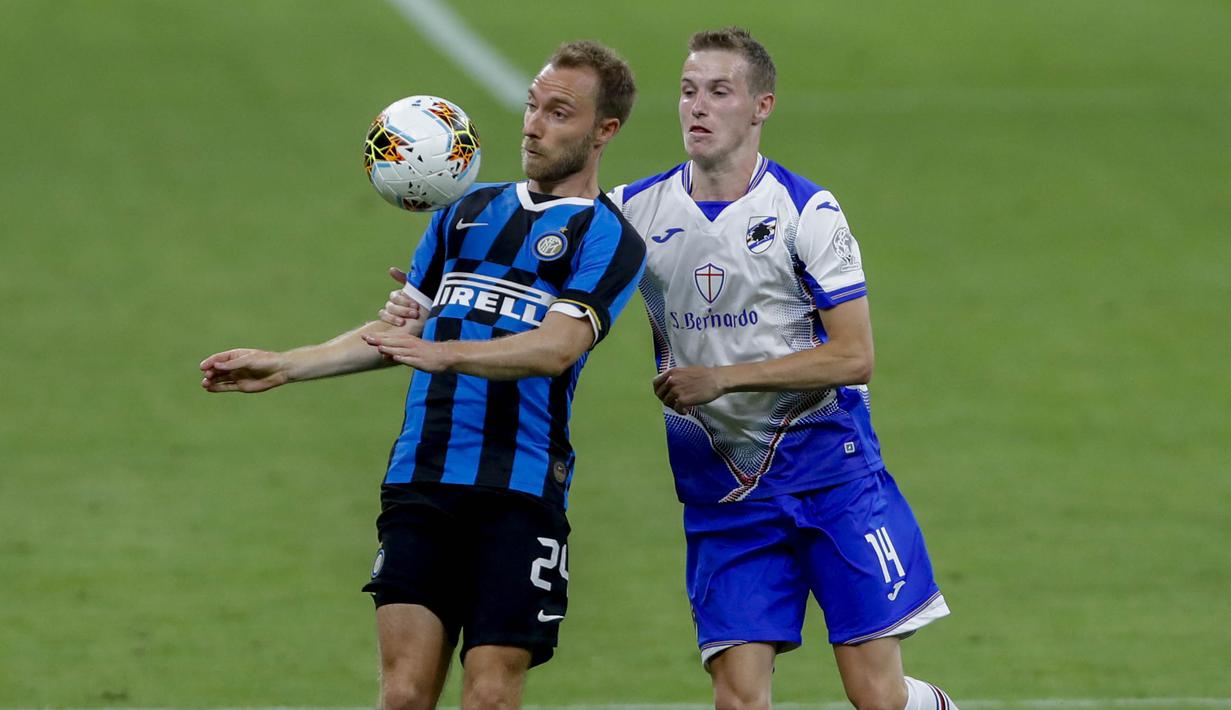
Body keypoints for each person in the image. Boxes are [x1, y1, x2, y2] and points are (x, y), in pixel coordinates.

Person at [200, 40, 644, 710]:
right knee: (404, 695)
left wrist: (445, 351)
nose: (532, 124)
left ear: (603, 130)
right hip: (422, 477)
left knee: (489, 695)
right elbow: (402, 334)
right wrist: (288, 364)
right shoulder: (463, 213)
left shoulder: (608, 238)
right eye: (531, 106)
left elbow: (556, 347)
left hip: (518, 491)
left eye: (558, 112)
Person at [611, 28, 958, 710]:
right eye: (687, 92)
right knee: (738, 700)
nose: (697, 108)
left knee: (876, 698)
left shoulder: (806, 212)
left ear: (760, 106)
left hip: (833, 480)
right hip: (726, 497)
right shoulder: (633, 212)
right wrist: (434, 296)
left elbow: (853, 356)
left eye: (718, 92)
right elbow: (551, 280)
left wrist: (723, 378)